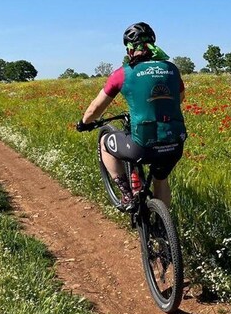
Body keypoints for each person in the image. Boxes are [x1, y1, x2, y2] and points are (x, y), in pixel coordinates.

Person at [77, 22, 187, 210]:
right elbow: (180, 98)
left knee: (105, 142)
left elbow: (95, 109)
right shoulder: (171, 69)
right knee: (161, 180)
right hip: (175, 143)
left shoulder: (123, 74)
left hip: (142, 146)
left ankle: (127, 194)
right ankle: (162, 230)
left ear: (129, 49)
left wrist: (83, 123)